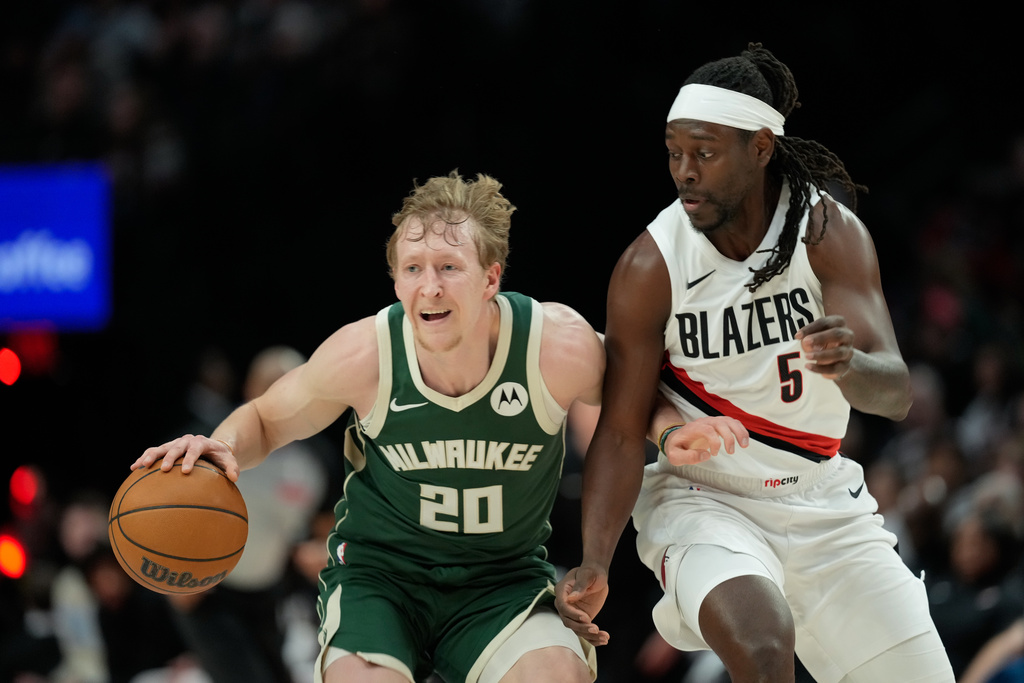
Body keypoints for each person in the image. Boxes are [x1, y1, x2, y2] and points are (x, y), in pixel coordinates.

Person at [554, 43, 955, 683]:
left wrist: (850, 366)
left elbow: (896, 393)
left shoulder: (826, 233)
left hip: (822, 497)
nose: (684, 172)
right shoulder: (651, 265)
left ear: (761, 148)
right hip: (703, 499)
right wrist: (596, 560)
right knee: (764, 648)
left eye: (704, 154)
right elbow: (622, 429)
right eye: (674, 153)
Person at [132, 170, 603, 683]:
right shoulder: (364, 356)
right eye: (413, 268)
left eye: (449, 267)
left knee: (559, 675)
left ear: (490, 278)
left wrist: (601, 555)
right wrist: (220, 445)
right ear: (396, 281)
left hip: (501, 582)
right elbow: (265, 419)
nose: (430, 286)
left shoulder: (556, 345)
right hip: (382, 581)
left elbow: (635, 415)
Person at [167, 345, 329, 683]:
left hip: (271, 595)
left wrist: (319, 554)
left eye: (291, 383)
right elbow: (167, 509)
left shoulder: (317, 461)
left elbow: (323, 531)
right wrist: (174, 570)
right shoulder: (218, 443)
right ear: (249, 388)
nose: (281, 393)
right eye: (270, 383)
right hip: (210, 592)